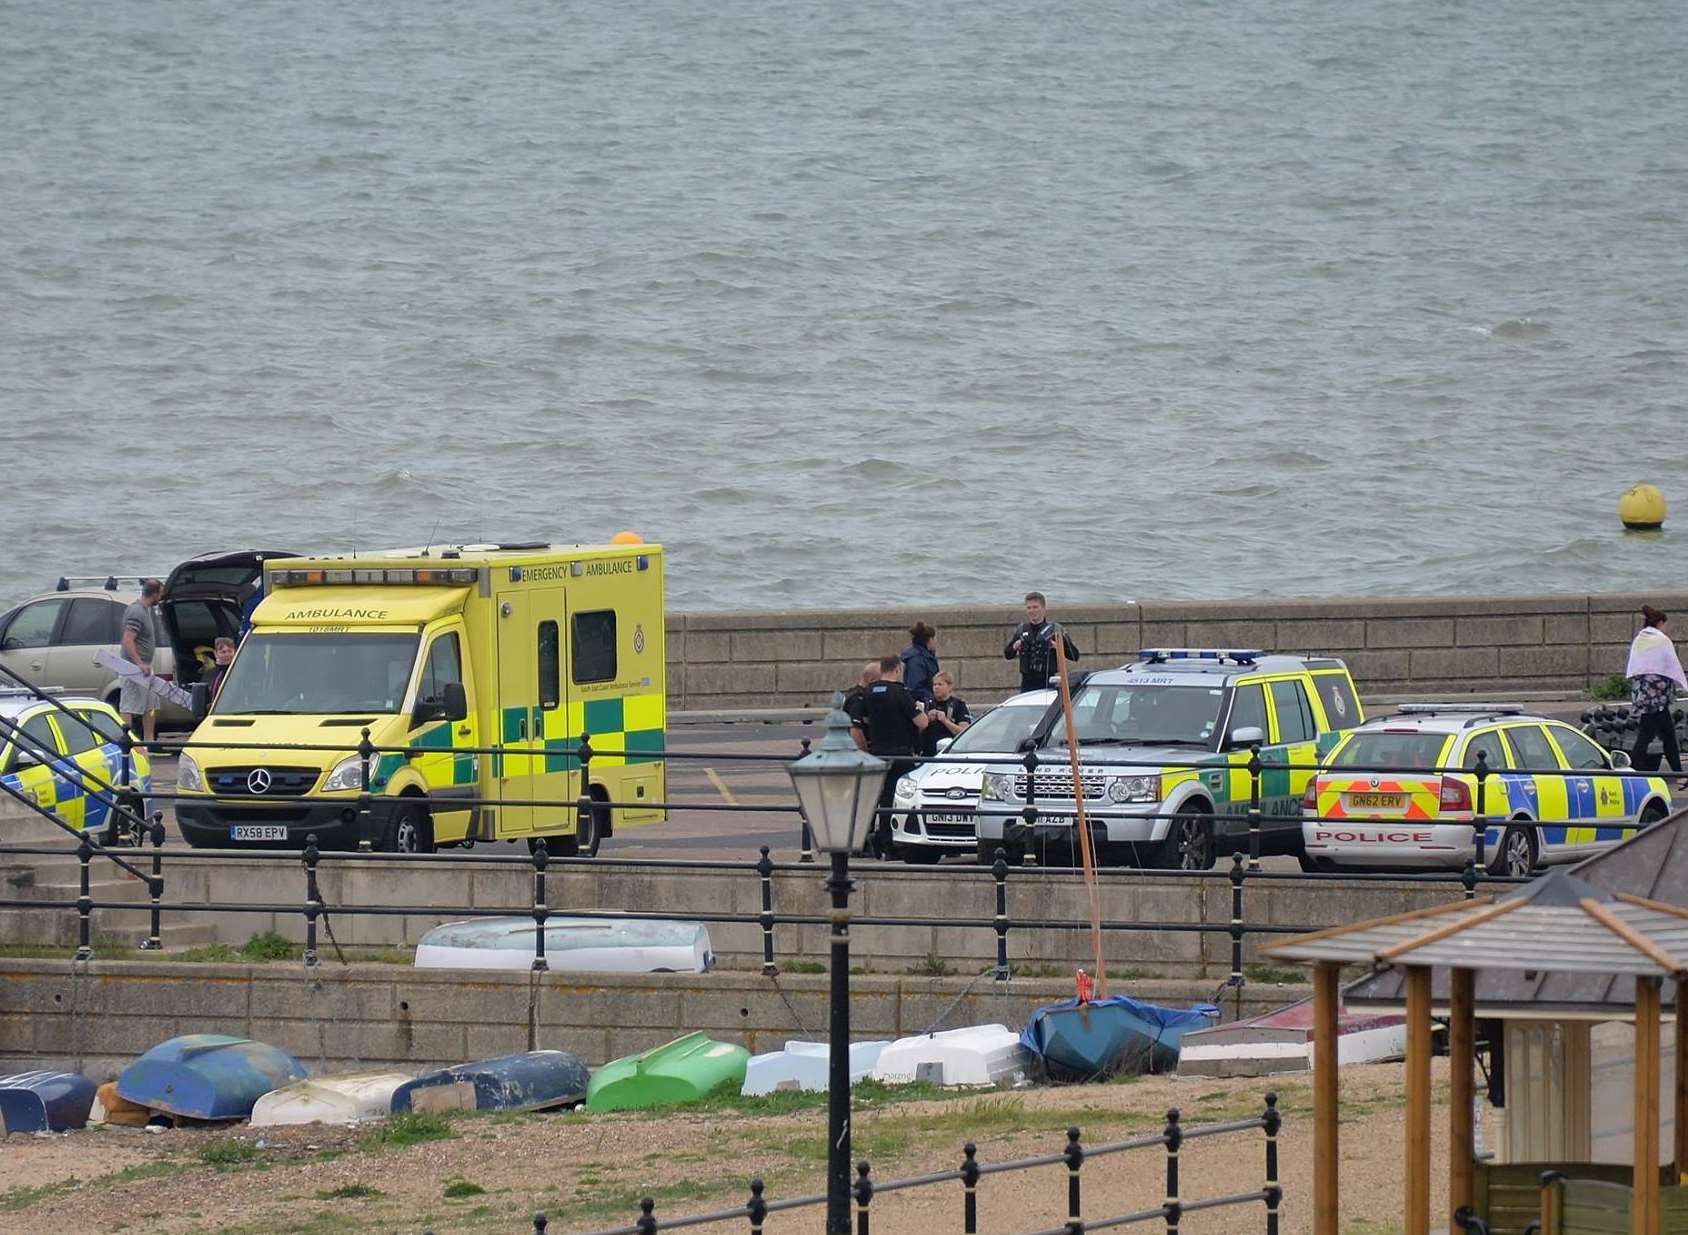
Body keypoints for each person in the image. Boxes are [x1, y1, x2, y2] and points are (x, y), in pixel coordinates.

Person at [852, 654, 928, 859]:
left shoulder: (868, 693)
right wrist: (921, 711)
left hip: (877, 752)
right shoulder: (900, 693)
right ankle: (896, 842)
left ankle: (882, 841)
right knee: (901, 798)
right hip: (901, 754)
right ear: (897, 670)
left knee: (882, 798)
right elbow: (922, 723)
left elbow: (860, 723)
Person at [1626, 605, 1687, 783]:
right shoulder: (1662, 640)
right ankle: (1637, 773)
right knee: (1657, 737)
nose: (1666, 628)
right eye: (1665, 624)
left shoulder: (1640, 639)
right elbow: (1671, 665)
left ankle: (1677, 774)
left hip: (1644, 697)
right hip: (1658, 699)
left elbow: (1636, 667)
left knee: (1658, 736)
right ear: (1660, 623)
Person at [1004, 591, 1080, 693]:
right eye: (1029, 608)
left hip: (1048, 682)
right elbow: (1008, 654)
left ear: (1043, 609)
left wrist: (1058, 647)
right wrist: (1014, 647)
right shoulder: (1022, 629)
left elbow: (1075, 656)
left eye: (1035, 607)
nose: (1032, 611)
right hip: (1027, 683)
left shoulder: (1055, 629)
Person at [120, 578, 164, 749]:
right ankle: (127, 742)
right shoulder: (136, 611)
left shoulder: (146, 610)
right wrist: (138, 663)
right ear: (154, 594)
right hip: (133, 668)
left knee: (151, 703)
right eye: (160, 593)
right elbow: (128, 639)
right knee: (129, 705)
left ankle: (149, 741)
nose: (161, 597)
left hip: (146, 667)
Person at [921, 671, 972, 757]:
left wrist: (945, 721)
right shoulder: (926, 704)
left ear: (949, 687)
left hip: (950, 754)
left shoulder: (958, 705)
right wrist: (927, 719)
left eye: (940, 684)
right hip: (928, 754)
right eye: (934, 685)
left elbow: (964, 732)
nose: (936, 687)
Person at [842, 661, 880, 752]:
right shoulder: (857, 699)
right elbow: (855, 729)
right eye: (881, 680)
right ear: (871, 680)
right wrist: (865, 755)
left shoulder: (852, 693)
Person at [901, 622, 940, 702]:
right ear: (930, 640)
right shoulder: (917, 659)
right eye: (935, 638)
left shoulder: (925, 657)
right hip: (922, 703)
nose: (936, 642)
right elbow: (915, 687)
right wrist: (933, 698)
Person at [206, 637, 236, 705]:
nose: (227, 654)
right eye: (223, 652)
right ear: (216, 654)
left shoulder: (239, 671)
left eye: (230, 651)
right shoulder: (211, 673)